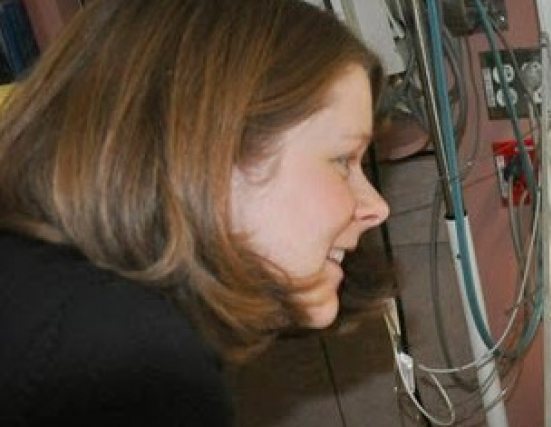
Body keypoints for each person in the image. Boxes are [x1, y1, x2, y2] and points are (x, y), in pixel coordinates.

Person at [0, 0, 392, 425]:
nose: (376, 207)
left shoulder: (35, 289)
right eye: (342, 160)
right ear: (211, 151)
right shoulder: (131, 359)